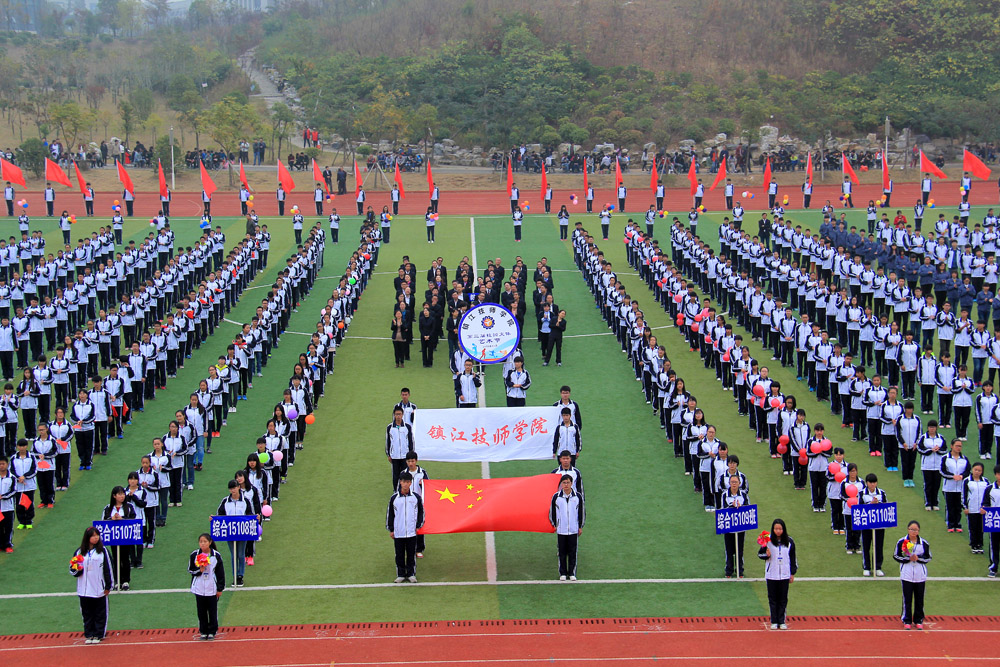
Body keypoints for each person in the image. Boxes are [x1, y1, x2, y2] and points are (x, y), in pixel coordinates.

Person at [70, 526, 113, 644]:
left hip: (99, 588)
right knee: (87, 613)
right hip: (83, 589)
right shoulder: (79, 552)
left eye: (97, 535)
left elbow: (109, 568)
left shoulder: (103, 551)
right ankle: (89, 634)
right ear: (87, 537)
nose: (96, 538)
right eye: (93, 536)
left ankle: (99, 634)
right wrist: (77, 569)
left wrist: (109, 586)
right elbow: (72, 569)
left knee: (100, 612)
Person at [759, 518, 797, 630]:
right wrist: (766, 554)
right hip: (771, 574)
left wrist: (792, 573)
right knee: (773, 598)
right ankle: (774, 621)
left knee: (783, 598)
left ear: (783, 529)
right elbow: (760, 555)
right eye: (776, 529)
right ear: (773, 529)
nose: (778, 531)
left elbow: (793, 558)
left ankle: (782, 620)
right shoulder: (767, 541)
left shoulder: (789, 541)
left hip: (784, 574)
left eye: (780, 529)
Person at [387, 471, 424, 583]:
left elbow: (421, 513)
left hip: (412, 532)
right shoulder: (394, 498)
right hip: (399, 531)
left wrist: (418, 526)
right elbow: (390, 515)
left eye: (408, 482)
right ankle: (401, 574)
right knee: (399, 554)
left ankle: (411, 574)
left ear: (410, 483)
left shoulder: (416, 498)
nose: (405, 484)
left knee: (411, 554)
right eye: (403, 482)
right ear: (400, 482)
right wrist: (391, 529)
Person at [894, 520, 932, 629]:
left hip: (920, 574)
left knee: (919, 598)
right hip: (906, 573)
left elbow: (928, 557)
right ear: (908, 529)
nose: (913, 532)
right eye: (911, 529)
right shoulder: (902, 541)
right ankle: (907, 620)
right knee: (907, 598)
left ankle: (918, 620)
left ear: (919, 531)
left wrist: (918, 559)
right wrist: (907, 559)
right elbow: (896, 556)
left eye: (915, 530)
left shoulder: (924, 543)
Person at [216, 479, 253, 587]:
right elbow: (220, 514)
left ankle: (240, 575)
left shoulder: (245, 500)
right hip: (229, 531)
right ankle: (234, 575)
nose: (233, 490)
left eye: (235, 487)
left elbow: (250, 513)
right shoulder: (225, 501)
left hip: (242, 531)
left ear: (238, 487)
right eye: (231, 488)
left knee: (241, 554)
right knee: (233, 555)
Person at [188, 532, 225, 640]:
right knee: (201, 611)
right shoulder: (194, 555)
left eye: (205, 542)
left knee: (212, 611)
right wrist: (199, 570)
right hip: (199, 588)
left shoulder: (216, 555)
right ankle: (203, 631)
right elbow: (190, 570)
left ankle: (212, 631)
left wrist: (220, 588)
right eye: (201, 542)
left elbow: (220, 573)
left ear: (210, 542)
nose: (203, 544)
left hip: (211, 587)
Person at [550, 474, 584, 581]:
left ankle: (572, 573)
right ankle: (563, 573)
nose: (566, 485)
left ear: (572, 483)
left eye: (568, 482)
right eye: (564, 483)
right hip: (561, 529)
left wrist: (580, 526)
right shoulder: (556, 497)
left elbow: (581, 512)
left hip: (573, 529)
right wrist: (555, 524)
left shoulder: (577, 496)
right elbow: (553, 512)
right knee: (562, 552)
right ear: (561, 484)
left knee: (573, 552)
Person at [101, 484, 136, 590]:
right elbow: (102, 521)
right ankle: (117, 580)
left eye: (123, 494)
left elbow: (134, 519)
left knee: (125, 558)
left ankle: (126, 581)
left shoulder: (129, 507)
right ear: (114, 496)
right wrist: (111, 518)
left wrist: (123, 518)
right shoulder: (108, 508)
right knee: (116, 558)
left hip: (125, 536)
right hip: (113, 537)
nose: (122, 496)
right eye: (119, 494)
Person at [860, 473, 888, 576]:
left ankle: (877, 567)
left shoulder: (882, 493)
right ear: (867, 483)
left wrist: (878, 504)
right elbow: (859, 507)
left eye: (874, 482)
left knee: (879, 546)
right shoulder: (862, 493)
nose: (872, 485)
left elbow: (886, 507)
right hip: (866, 524)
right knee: (866, 545)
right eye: (870, 482)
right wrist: (870, 504)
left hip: (879, 524)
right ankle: (867, 567)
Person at [721, 474, 749, 577]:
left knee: (739, 549)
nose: (734, 484)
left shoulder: (743, 495)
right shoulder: (725, 495)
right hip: (728, 526)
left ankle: (739, 570)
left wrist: (741, 507)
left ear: (739, 483)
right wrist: (731, 506)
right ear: (729, 483)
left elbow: (748, 508)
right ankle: (729, 570)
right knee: (729, 549)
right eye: (732, 482)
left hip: (740, 526)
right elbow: (722, 508)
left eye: (735, 482)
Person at [385, 407, 414, 490]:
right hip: (395, 456)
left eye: (400, 414)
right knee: (395, 475)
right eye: (396, 414)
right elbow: (388, 442)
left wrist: (411, 454)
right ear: (394, 415)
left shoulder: (407, 427)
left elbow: (411, 441)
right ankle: (396, 491)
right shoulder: (390, 427)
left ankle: (406, 490)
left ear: (402, 415)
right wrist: (389, 454)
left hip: (405, 456)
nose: (398, 416)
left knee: (405, 474)